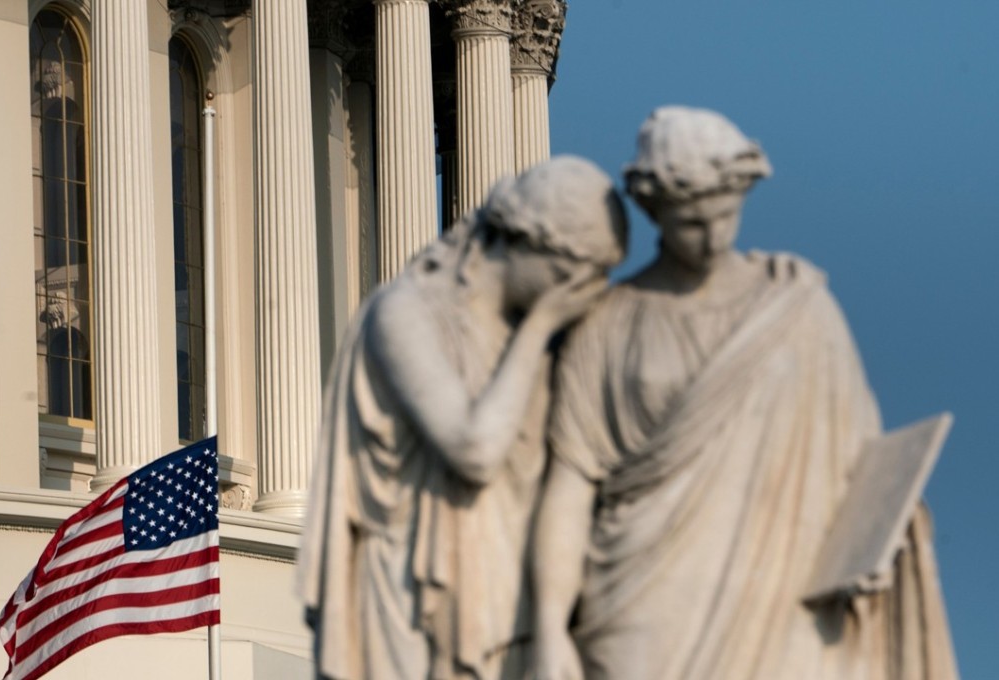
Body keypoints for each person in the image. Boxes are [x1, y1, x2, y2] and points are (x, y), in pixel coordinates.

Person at [534, 107, 957, 680]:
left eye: (725, 216)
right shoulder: (607, 325)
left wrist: (880, 542)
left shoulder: (800, 309)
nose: (712, 238)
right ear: (654, 212)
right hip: (643, 599)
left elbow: (864, 468)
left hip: (785, 589)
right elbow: (570, 484)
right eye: (690, 222)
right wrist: (550, 625)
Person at [295, 156, 628, 680]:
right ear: (526, 240)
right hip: (415, 591)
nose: (574, 298)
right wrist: (539, 329)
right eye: (569, 278)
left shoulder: (535, 340)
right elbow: (474, 451)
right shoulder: (404, 313)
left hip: (509, 584)